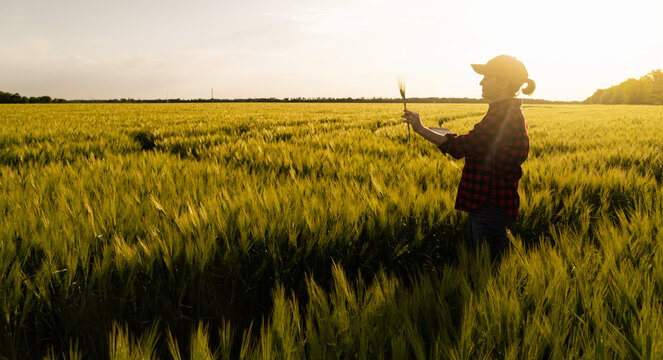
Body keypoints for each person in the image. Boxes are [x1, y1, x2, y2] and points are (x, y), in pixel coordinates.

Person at [401, 55, 535, 261]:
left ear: (503, 82)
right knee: (483, 266)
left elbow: (460, 147)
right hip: (489, 205)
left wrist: (420, 129)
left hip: (490, 206)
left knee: (486, 269)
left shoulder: (503, 116)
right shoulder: (505, 113)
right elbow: (476, 144)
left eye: (487, 77)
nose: (481, 82)